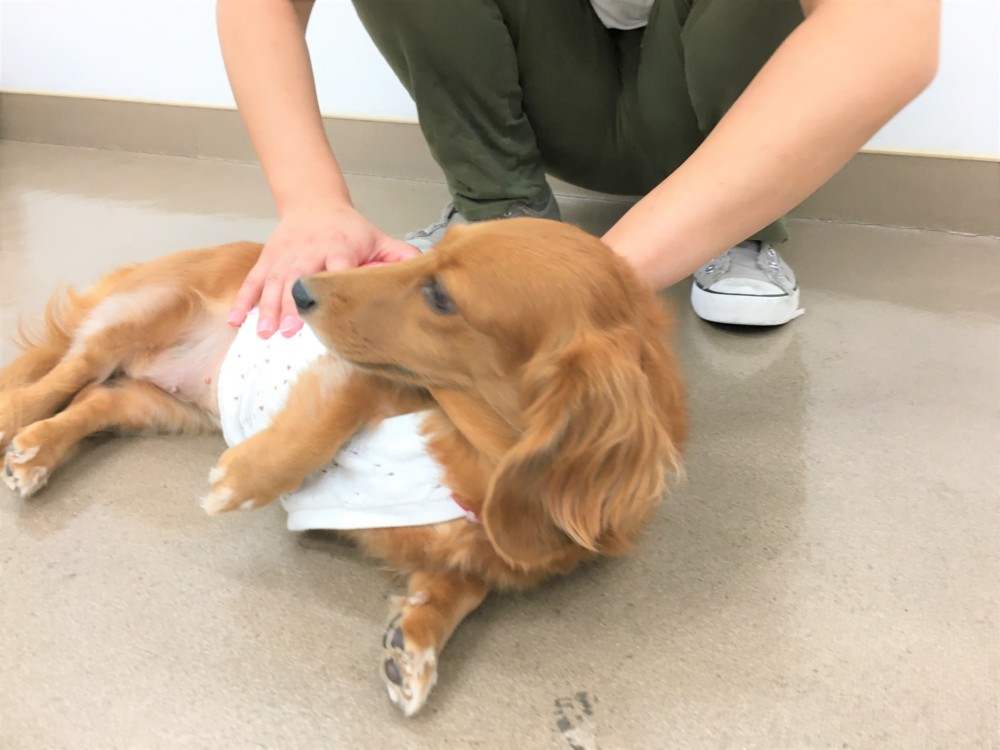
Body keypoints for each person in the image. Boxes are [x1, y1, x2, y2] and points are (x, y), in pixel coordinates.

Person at [217, 0, 940, 339]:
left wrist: (593, 282)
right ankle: (501, 216)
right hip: (557, 91)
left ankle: (735, 228)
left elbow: (890, 27)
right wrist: (311, 201)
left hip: (706, 105)